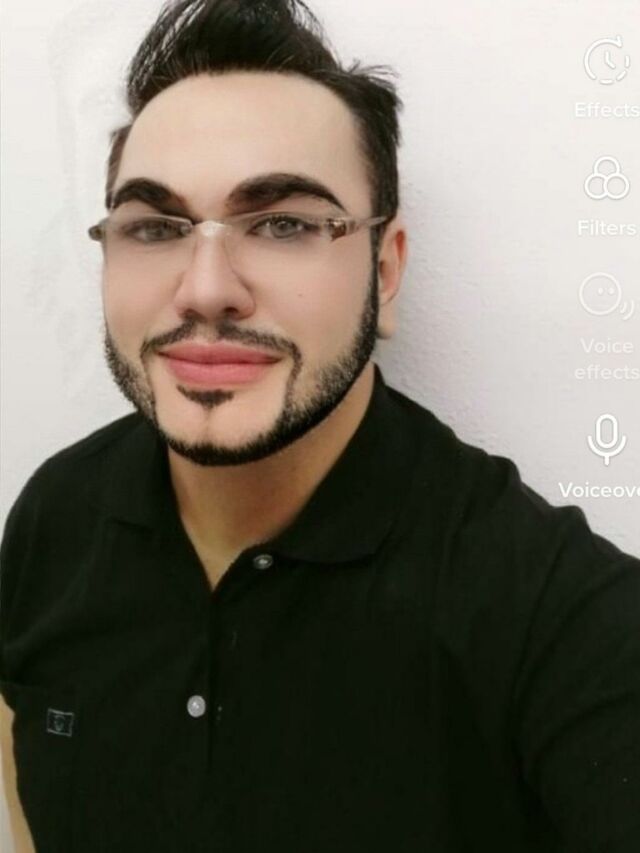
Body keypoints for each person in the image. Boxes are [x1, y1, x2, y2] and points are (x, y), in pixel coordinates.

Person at [1, 1, 639, 851]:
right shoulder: (53, 517)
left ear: (386, 269)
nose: (205, 289)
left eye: (284, 224)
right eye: (154, 226)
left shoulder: (554, 615)